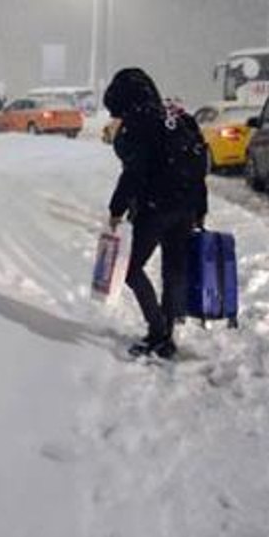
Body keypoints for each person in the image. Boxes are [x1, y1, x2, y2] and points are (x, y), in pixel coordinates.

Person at [103, 67, 208, 359]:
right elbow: (200, 166)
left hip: (155, 208)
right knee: (173, 269)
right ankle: (167, 335)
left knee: (130, 268)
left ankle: (158, 330)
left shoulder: (140, 123)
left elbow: (134, 172)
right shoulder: (178, 117)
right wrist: (200, 208)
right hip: (185, 206)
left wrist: (116, 209)